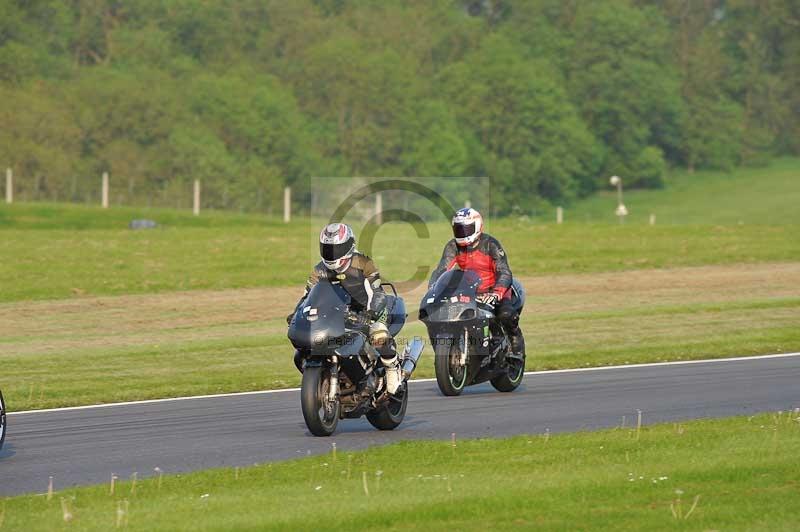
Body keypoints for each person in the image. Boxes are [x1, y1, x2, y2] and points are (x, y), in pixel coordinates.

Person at [287, 223, 402, 394]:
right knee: (304, 348)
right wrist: (298, 313)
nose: (331, 254)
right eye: (327, 248)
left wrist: (370, 314)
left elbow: (377, 293)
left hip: (368, 310)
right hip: (340, 313)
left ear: (348, 246)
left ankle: (393, 369)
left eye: (336, 248)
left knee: (378, 334)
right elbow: (308, 295)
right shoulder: (320, 269)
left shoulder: (363, 263)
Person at [429, 208, 525, 358]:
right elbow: (442, 269)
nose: (462, 233)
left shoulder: (490, 244)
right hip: (470, 291)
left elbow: (504, 271)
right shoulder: (453, 247)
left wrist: (496, 293)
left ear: (477, 226)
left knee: (506, 315)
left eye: (466, 228)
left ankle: (516, 345)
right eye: (458, 229)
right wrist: (434, 289)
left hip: (495, 289)